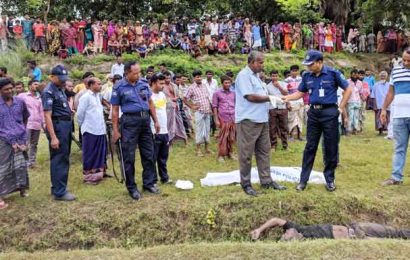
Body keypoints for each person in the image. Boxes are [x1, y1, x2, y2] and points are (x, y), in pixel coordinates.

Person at [282, 50, 351, 192]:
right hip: (313, 113)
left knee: (331, 147)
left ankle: (330, 179)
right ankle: (303, 180)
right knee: (310, 147)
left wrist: (340, 108)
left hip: (330, 112)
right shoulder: (307, 76)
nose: (308, 67)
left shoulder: (333, 73)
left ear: (319, 62)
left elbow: (348, 89)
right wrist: (287, 98)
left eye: (310, 64)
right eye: (306, 64)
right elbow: (300, 93)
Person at [235, 51, 287, 196]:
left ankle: (266, 181)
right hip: (248, 121)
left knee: (264, 151)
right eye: (260, 62)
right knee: (246, 154)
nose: (262, 65)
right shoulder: (244, 76)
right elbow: (250, 96)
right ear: (251, 62)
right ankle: (246, 184)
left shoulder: (257, 77)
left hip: (262, 120)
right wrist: (269, 98)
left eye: (263, 62)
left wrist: (273, 98)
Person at [111, 61, 161, 200]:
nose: (138, 75)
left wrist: (156, 121)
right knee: (129, 156)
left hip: (145, 121)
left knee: (149, 153)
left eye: (139, 72)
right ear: (127, 73)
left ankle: (149, 183)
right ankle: (132, 187)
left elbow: (150, 103)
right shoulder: (118, 87)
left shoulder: (143, 83)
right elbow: (115, 110)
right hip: (129, 122)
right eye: (135, 73)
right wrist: (115, 130)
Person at [42, 65, 76, 201]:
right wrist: (54, 137)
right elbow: (47, 116)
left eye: (64, 79)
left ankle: (56, 187)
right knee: (60, 158)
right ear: (52, 77)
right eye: (60, 78)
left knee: (61, 157)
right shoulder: (48, 91)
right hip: (58, 127)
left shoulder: (59, 89)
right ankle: (60, 192)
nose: (63, 81)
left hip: (65, 125)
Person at [381, 48, 410, 186]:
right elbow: (391, 93)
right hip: (399, 116)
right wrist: (383, 109)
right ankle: (396, 177)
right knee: (399, 147)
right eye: (404, 59)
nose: (405, 62)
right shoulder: (396, 71)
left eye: (408, 61)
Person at [0, 78, 30, 210]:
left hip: (20, 139)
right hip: (3, 140)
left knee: (21, 165)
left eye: (11, 88)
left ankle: (22, 189)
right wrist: (10, 140)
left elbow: (25, 118)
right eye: (6, 89)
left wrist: (22, 136)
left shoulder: (20, 102)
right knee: (4, 167)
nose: (10, 91)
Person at [250, 216, 410, 241]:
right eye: (287, 236)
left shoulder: (297, 228)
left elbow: (276, 220)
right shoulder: (308, 242)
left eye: (285, 232)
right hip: (357, 239)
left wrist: (259, 229)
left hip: (356, 227)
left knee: (392, 232)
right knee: (388, 241)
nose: (287, 232)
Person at [77, 77, 107, 185]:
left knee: (100, 153)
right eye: (98, 84)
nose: (100, 85)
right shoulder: (85, 97)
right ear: (91, 85)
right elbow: (80, 114)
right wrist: (83, 126)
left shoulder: (98, 96)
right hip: (90, 130)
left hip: (100, 129)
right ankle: (89, 177)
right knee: (90, 154)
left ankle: (99, 174)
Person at [150, 73, 173, 185]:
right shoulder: (149, 96)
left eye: (164, 83)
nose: (163, 86)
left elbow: (162, 111)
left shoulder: (162, 95)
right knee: (153, 157)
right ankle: (153, 180)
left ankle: (164, 178)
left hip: (164, 131)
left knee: (163, 157)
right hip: (154, 131)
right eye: (161, 83)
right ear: (154, 83)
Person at [184, 70, 213, 156]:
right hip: (199, 112)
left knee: (207, 130)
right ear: (194, 78)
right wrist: (192, 106)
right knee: (199, 131)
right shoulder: (191, 88)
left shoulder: (204, 86)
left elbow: (207, 98)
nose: (199, 78)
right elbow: (185, 99)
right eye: (197, 77)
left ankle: (207, 148)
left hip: (207, 111)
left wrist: (210, 108)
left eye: (200, 76)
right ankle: (198, 150)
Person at [17, 80, 44, 168]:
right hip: (27, 124)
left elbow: (41, 112)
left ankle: (31, 162)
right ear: (29, 86)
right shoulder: (22, 96)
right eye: (35, 84)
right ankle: (23, 162)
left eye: (38, 84)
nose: (37, 86)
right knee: (25, 143)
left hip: (37, 124)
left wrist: (43, 123)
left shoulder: (39, 98)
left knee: (34, 144)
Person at [212, 75, 236, 162]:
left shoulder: (233, 93)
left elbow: (236, 105)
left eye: (229, 83)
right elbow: (214, 107)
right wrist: (216, 119)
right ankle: (221, 155)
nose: (228, 84)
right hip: (223, 118)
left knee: (231, 137)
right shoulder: (217, 93)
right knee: (223, 137)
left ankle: (230, 153)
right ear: (222, 83)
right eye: (226, 83)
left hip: (232, 117)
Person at [266, 70, 289, 151]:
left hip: (282, 108)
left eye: (276, 76)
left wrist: (279, 86)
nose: (274, 77)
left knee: (284, 127)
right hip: (272, 108)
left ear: (278, 76)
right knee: (272, 128)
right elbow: (267, 98)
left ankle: (285, 145)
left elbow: (286, 93)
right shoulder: (267, 86)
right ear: (270, 76)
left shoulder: (283, 83)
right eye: (273, 76)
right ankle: (273, 145)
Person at [285, 65, 304, 141]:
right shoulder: (287, 80)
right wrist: (288, 102)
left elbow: (304, 90)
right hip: (291, 101)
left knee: (300, 118)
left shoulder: (301, 79)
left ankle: (300, 135)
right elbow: (286, 92)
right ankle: (291, 135)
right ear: (290, 71)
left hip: (300, 101)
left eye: (296, 71)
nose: (294, 72)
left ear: (298, 71)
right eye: (293, 71)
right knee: (291, 118)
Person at [346, 69, 364, 135]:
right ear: (351, 75)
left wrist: (363, 99)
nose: (354, 76)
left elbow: (361, 93)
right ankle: (348, 130)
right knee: (350, 116)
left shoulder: (360, 83)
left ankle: (355, 129)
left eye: (356, 75)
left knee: (356, 116)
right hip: (350, 101)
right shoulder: (347, 81)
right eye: (353, 75)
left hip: (358, 101)